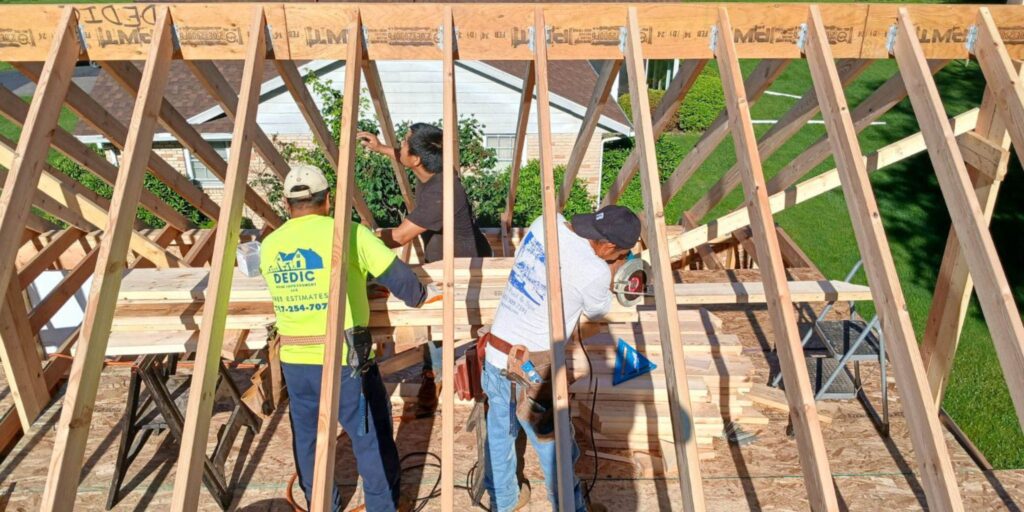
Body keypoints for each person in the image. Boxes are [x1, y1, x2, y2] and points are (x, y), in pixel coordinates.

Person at [260, 164, 437, 512]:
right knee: (369, 440)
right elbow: (405, 285)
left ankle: (322, 505)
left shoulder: (269, 245)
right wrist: (422, 292)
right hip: (344, 362)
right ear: (328, 199)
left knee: (309, 442)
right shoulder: (349, 234)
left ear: (286, 203)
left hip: (295, 361)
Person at [482, 205, 641, 512]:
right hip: (532, 369)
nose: (617, 258)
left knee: (501, 434)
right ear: (608, 246)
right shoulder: (594, 271)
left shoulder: (547, 222)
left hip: (495, 352)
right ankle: (571, 508)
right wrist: (610, 269)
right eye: (618, 253)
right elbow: (598, 310)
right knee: (554, 448)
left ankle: (505, 501)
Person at [358, 123, 492, 414]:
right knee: (440, 323)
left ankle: (437, 377)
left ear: (417, 158)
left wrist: (361, 238)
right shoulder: (436, 169)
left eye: (404, 143)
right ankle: (436, 372)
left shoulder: (440, 194)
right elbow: (409, 158)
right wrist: (381, 148)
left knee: (443, 321)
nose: (401, 145)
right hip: (446, 256)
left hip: (461, 265)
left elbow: (400, 237)